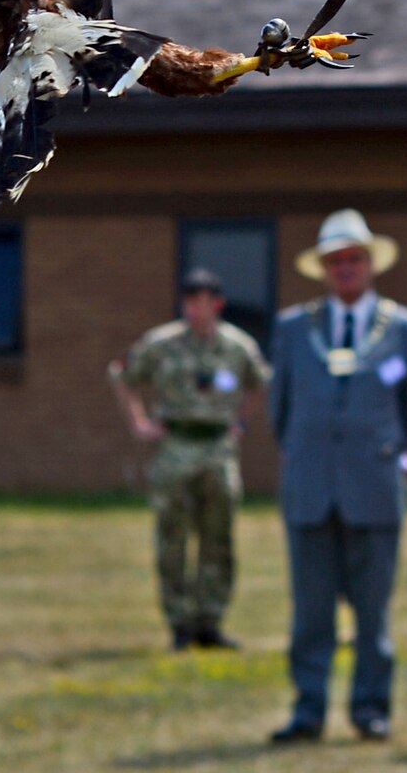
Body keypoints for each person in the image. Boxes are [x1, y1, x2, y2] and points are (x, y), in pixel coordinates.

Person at [268, 210, 407, 745]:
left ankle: (370, 709)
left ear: (371, 265)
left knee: (372, 614)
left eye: (354, 259)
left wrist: (380, 450)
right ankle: (308, 710)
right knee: (311, 613)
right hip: (310, 488)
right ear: (322, 269)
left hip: (374, 486)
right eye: (335, 261)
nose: (346, 268)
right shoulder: (293, 327)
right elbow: (279, 410)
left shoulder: (406, 328)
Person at [108, 266, 269, 650]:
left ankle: (210, 623)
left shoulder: (237, 346)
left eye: (202, 302)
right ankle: (179, 624)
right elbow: (121, 374)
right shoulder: (162, 343)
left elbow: (260, 383)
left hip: (218, 450)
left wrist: (241, 424)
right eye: (189, 302)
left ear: (218, 304)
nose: (195, 310)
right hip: (175, 448)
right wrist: (139, 422)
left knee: (218, 538)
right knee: (172, 538)